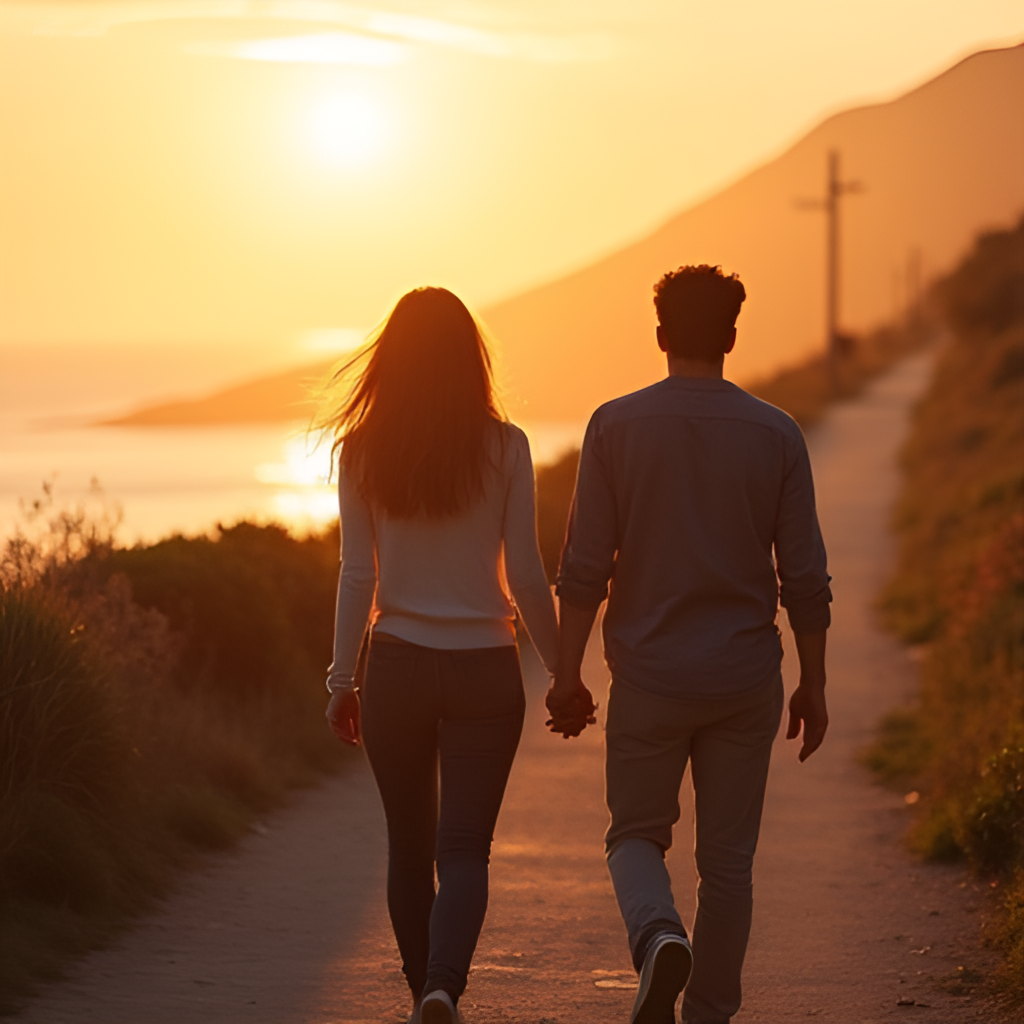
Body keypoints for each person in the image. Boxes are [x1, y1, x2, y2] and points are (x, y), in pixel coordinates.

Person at [546, 265, 832, 1024]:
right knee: (728, 866)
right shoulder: (777, 434)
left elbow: (584, 570)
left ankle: (658, 934)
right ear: (732, 338)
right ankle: (708, 1011)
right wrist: (815, 680)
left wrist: (566, 673)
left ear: (661, 335)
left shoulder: (614, 426)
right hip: (744, 678)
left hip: (648, 676)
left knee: (636, 836)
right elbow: (804, 575)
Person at [319, 287, 560, 1024]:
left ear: (389, 361)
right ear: (470, 359)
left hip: (394, 665)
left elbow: (358, 573)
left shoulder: (359, 451)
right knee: (463, 852)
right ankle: (441, 990)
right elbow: (523, 575)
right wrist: (563, 671)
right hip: (486, 669)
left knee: (408, 846)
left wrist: (341, 680)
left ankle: (423, 988)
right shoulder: (507, 447)